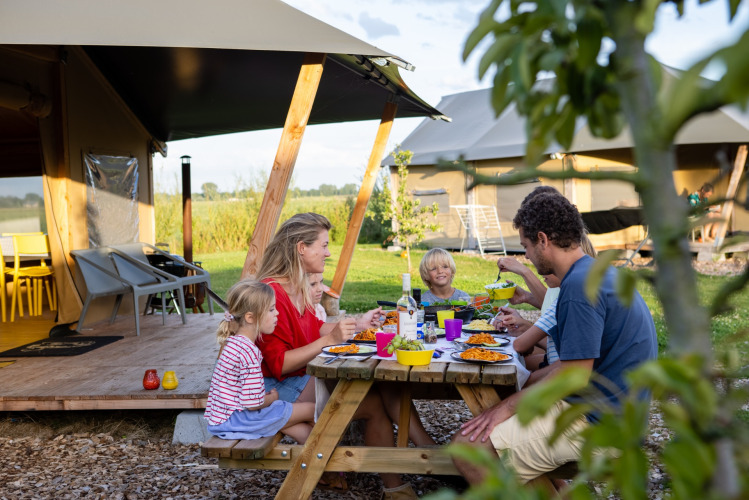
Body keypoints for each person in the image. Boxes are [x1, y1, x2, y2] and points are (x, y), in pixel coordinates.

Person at [452, 192, 658, 488]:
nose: (526, 256)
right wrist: (521, 389)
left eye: (526, 247)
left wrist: (503, 408)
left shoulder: (577, 287)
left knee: (468, 448)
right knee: (498, 418)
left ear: (543, 239)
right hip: (616, 412)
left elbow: (573, 375)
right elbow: (571, 364)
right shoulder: (596, 273)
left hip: (602, 423)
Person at [256, 212, 421, 499]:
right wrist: (329, 341)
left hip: (301, 379)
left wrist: (358, 325)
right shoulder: (271, 294)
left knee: (378, 388)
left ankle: (411, 468)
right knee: (371, 400)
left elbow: (316, 327)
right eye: (324, 245)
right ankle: (411, 471)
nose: (328, 252)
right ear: (301, 248)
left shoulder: (295, 288)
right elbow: (279, 364)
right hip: (278, 388)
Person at [204, 279, 314, 444]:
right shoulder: (248, 351)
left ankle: (316, 466)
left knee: (303, 431)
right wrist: (272, 398)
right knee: (313, 410)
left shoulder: (232, 343)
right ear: (250, 317)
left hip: (224, 420)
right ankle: (324, 465)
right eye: (271, 309)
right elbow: (253, 403)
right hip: (240, 420)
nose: (277, 313)